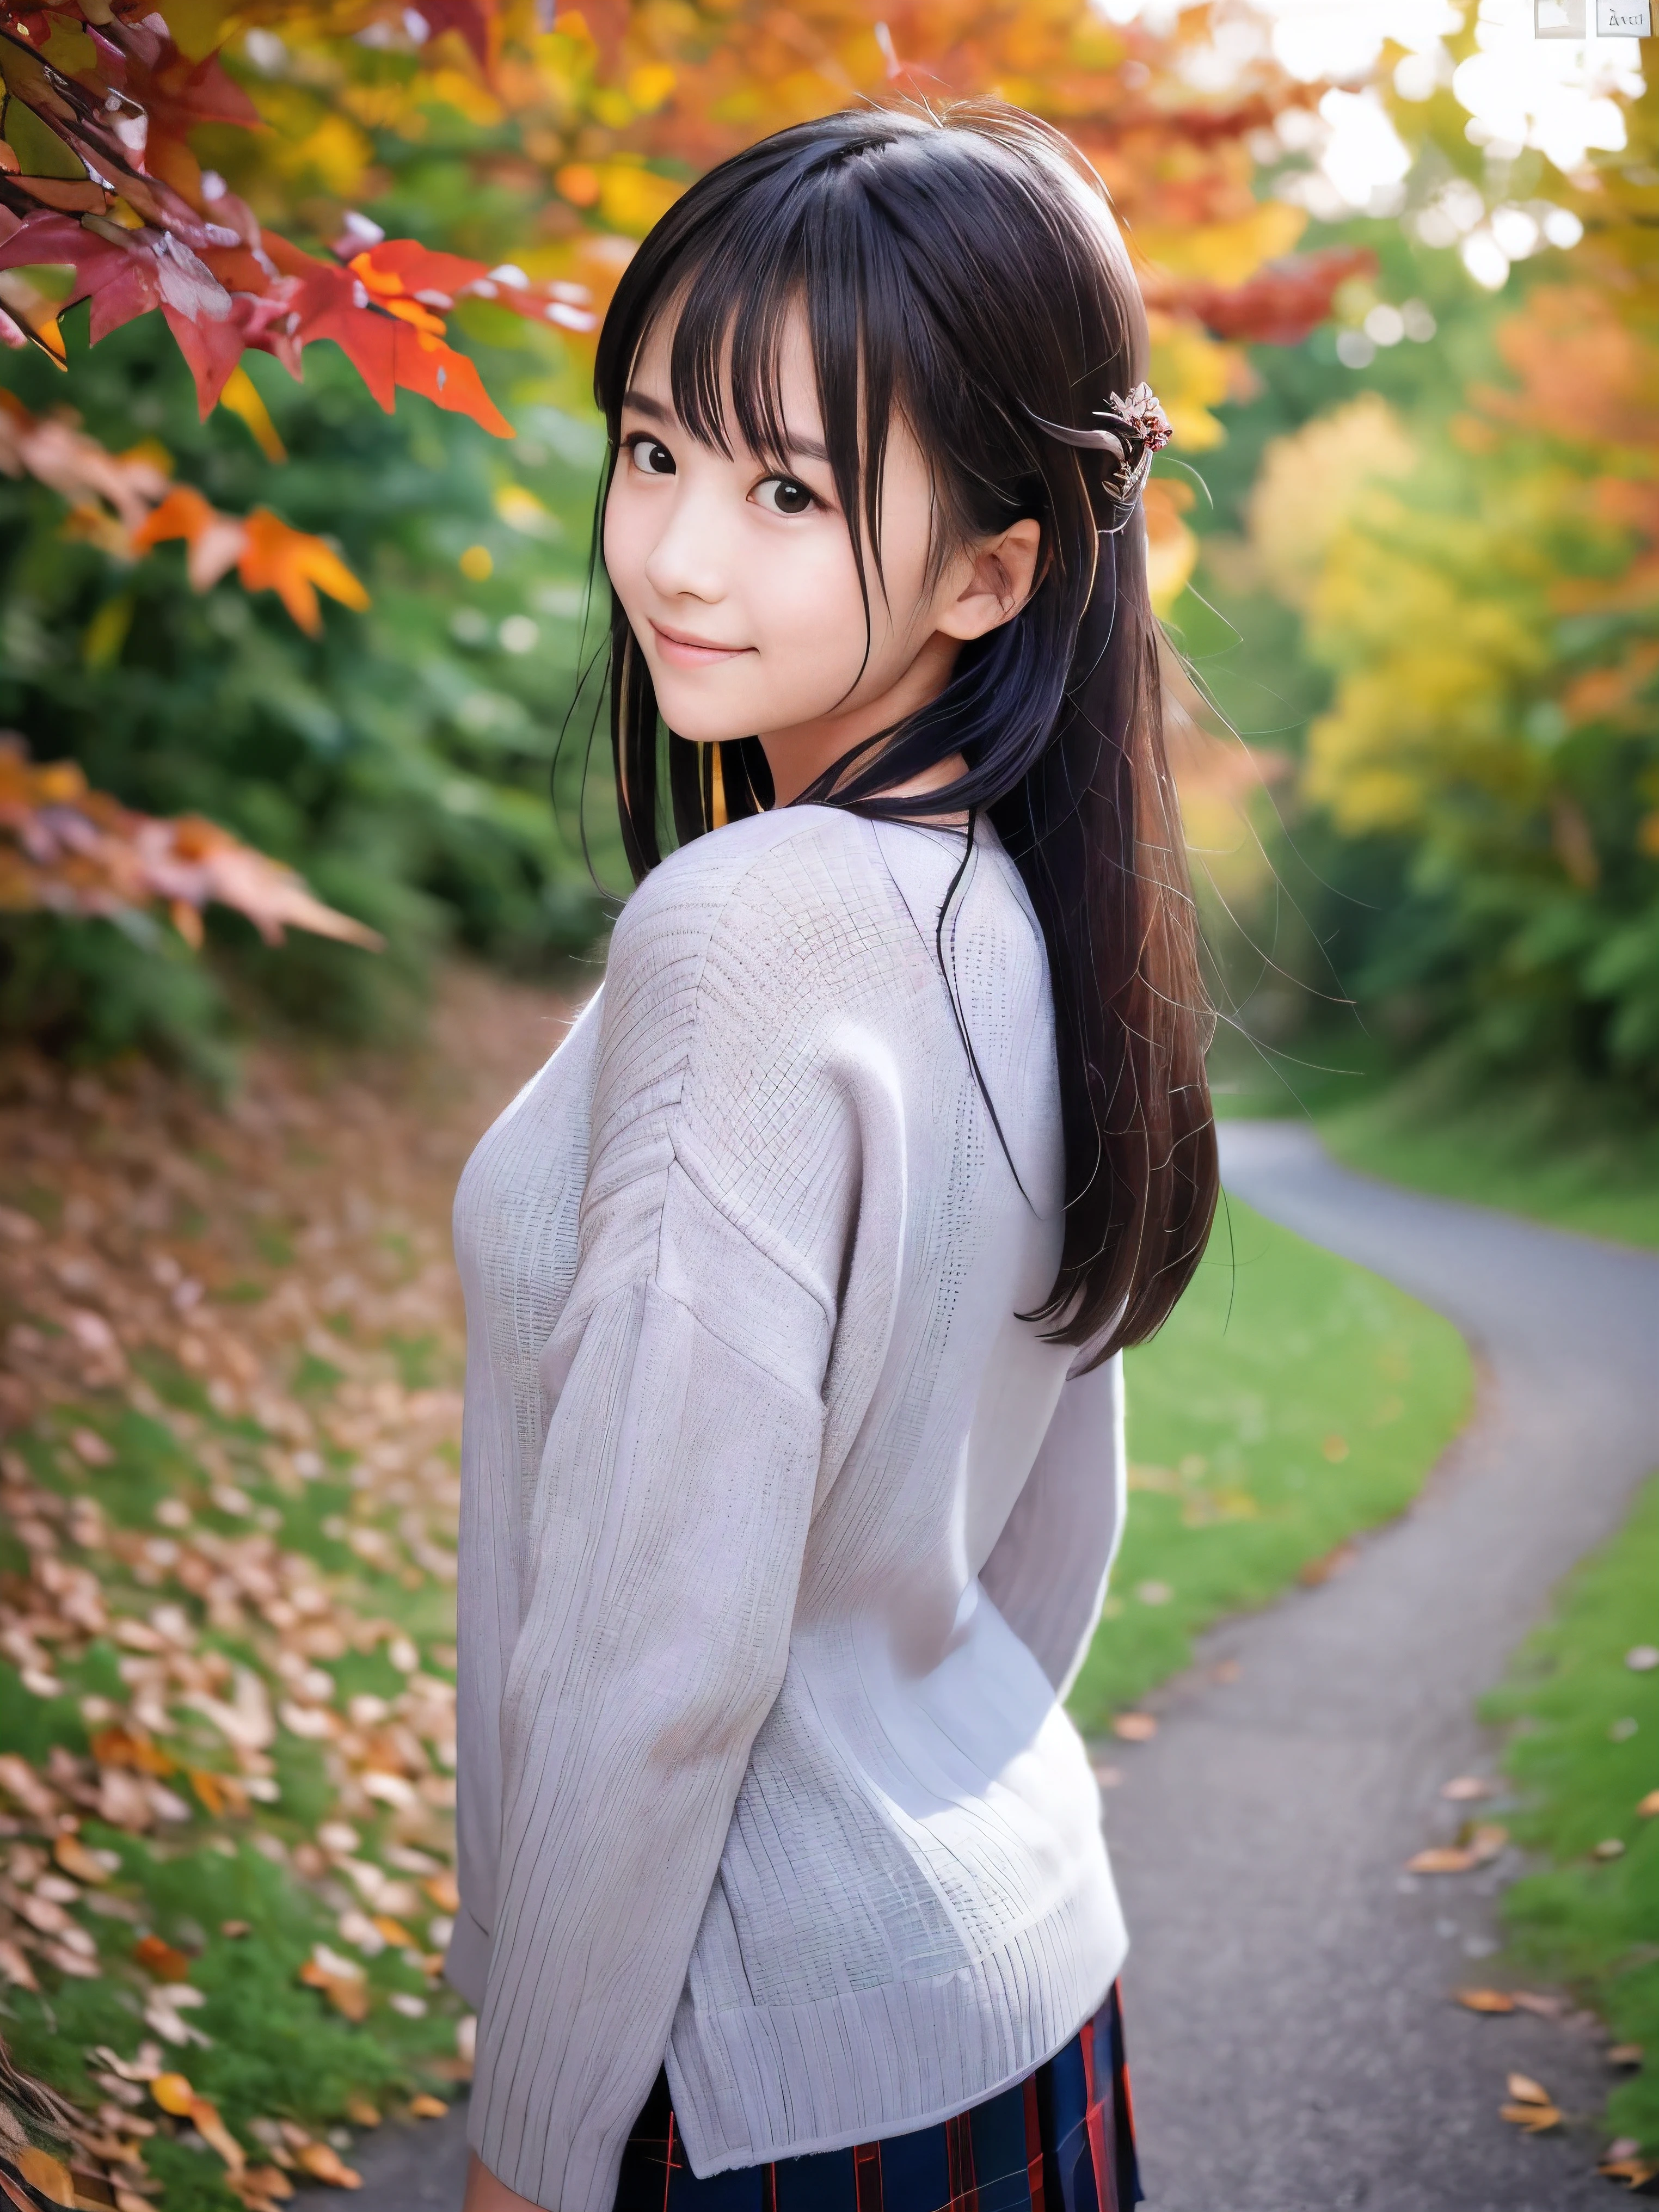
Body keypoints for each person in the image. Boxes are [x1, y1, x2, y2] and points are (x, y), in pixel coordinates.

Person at [450, 100, 1217, 2212]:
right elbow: (1064, 1509)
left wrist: (529, 2137)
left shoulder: (758, 925)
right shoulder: (1022, 914)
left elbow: (649, 1659)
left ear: (996, 564)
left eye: (788, 484)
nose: (682, 549)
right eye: (654, 446)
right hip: (1005, 1966)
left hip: (760, 2080)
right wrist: (913, 1764)